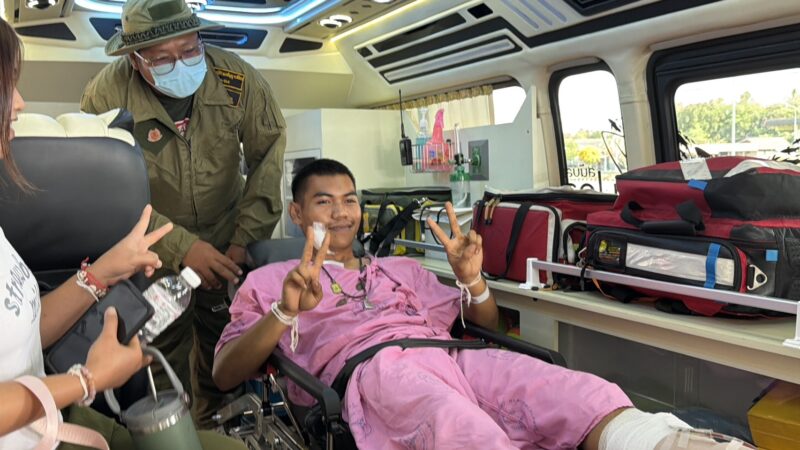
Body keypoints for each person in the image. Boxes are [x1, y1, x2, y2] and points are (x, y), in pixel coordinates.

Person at [213, 159, 754, 450]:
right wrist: (285, 311)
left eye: (350, 200)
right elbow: (224, 373)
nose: (341, 213)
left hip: (453, 356)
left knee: (571, 389)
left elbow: (480, 327)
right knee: (462, 428)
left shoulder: (400, 269)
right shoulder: (270, 280)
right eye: (324, 202)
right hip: (374, 371)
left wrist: (472, 282)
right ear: (296, 212)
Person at [0, 17, 247, 450]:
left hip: (50, 418)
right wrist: (87, 380)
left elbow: (25, 335)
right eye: (6, 87)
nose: (19, 103)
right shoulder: (106, 89)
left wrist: (100, 273)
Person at [80, 0, 286, 426]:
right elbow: (103, 187)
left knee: (225, 350)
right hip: (152, 249)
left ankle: (218, 429)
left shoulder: (235, 79)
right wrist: (181, 247)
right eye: (162, 58)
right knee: (156, 355)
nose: (181, 63)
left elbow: (268, 157)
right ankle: (168, 431)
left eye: (191, 50)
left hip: (228, 241)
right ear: (135, 60)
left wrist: (244, 241)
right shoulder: (107, 94)